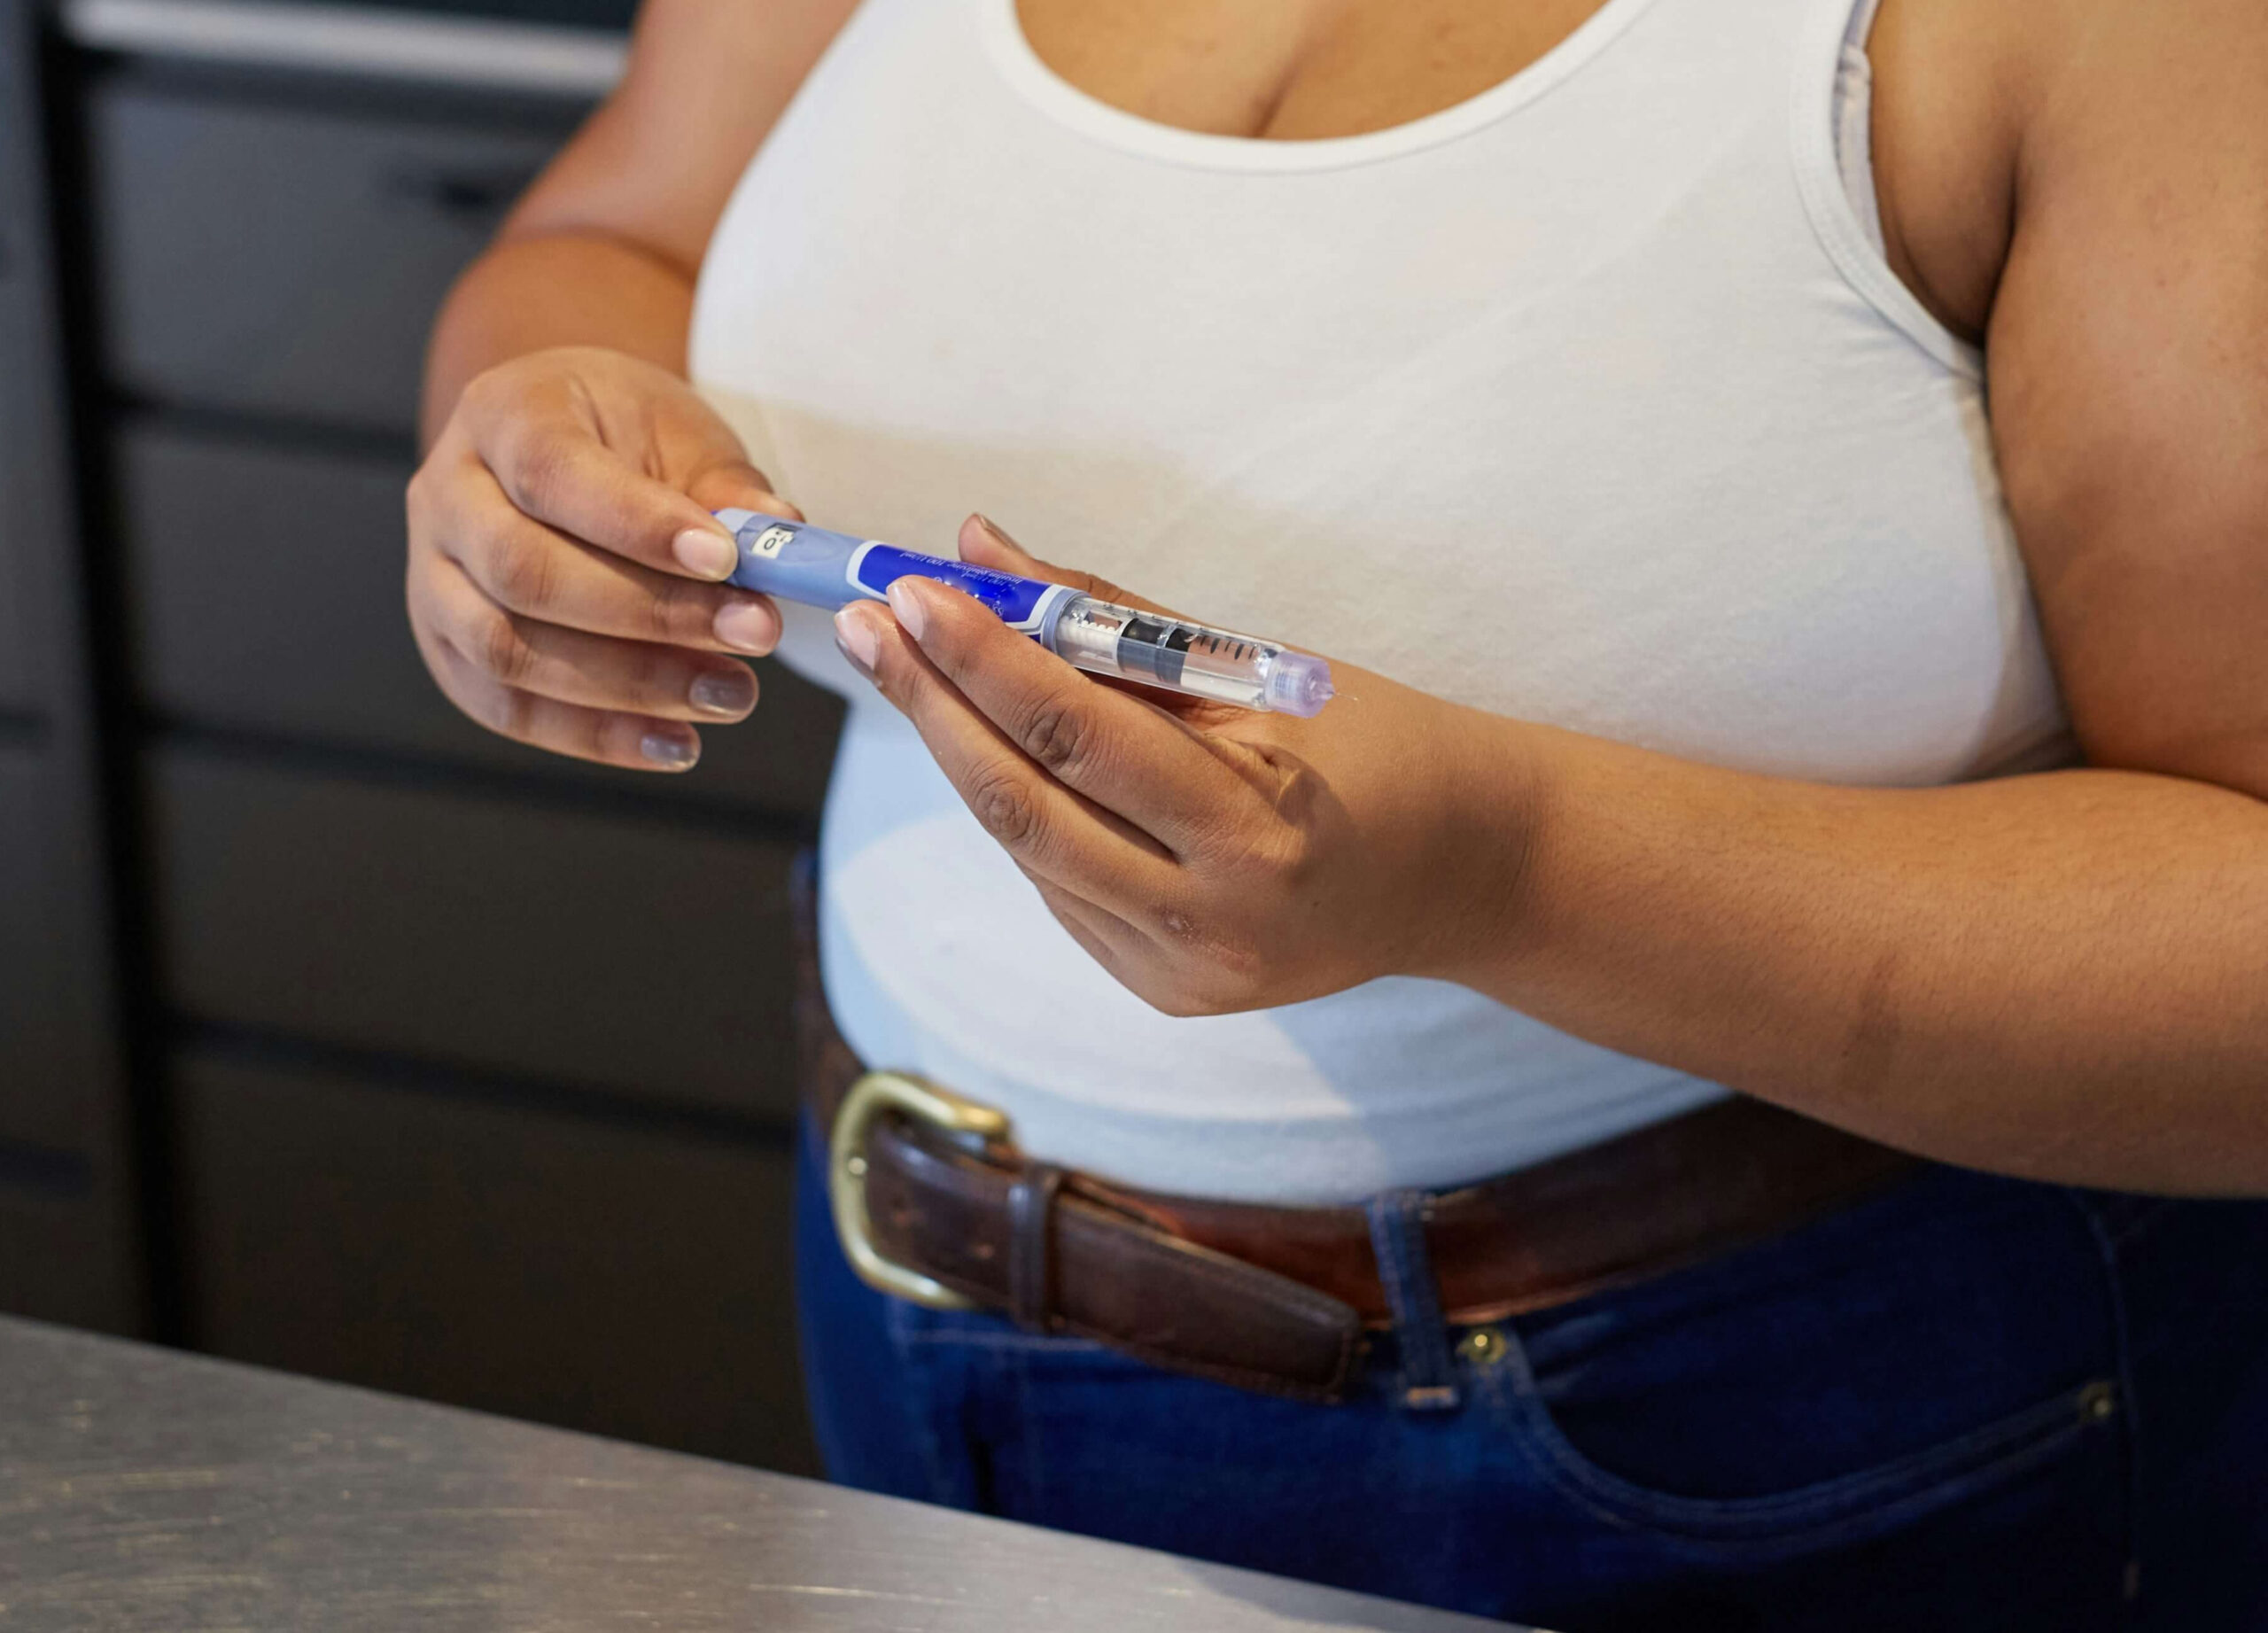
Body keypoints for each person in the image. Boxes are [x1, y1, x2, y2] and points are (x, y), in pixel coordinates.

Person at [406, 0, 2268, 1625]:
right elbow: (621, 227)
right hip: (899, 1294)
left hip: (1757, 1419)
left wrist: (1505, 871)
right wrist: (531, 434)